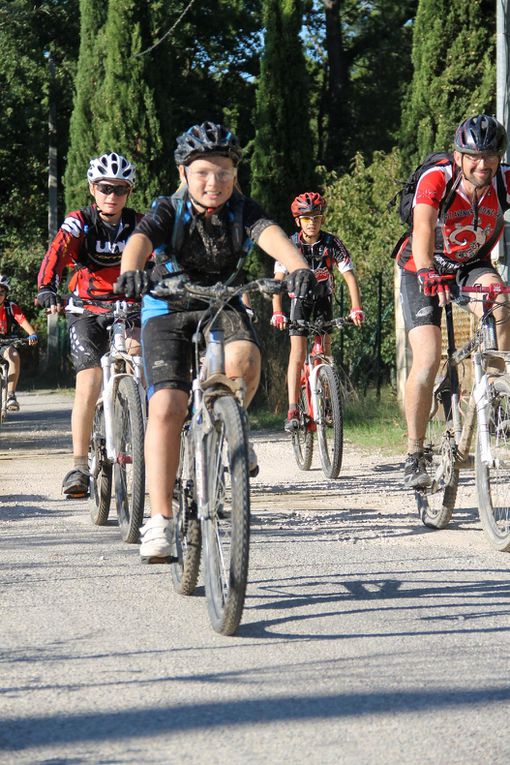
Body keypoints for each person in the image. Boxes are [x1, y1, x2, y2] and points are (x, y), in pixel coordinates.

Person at [115, 121, 316, 562]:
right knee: (166, 405)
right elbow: (141, 239)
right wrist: (131, 268)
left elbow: (270, 235)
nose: (214, 182)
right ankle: (161, 520)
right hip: (166, 306)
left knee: (245, 359)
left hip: (223, 300)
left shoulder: (242, 209)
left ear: (235, 175)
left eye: (223, 173)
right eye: (204, 172)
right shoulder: (169, 208)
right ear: (185, 173)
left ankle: (229, 422)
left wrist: (298, 266)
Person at [396, 114, 510, 488]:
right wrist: (428, 270)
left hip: (471, 266)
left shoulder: (504, 181)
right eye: (473, 157)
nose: (482, 165)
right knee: (428, 358)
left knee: (501, 304)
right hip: (422, 265)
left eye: (490, 157)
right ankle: (414, 453)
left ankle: (495, 395)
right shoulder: (438, 179)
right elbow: (423, 227)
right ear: (458, 156)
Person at [37, 152, 143, 498]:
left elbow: (162, 256)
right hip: (86, 309)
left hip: (129, 306)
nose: (112, 196)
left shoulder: (139, 224)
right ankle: (79, 465)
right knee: (88, 381)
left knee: (141, 363)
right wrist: (46, 287)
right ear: (92, 188)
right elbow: (56, 252)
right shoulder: (79, 221)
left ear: (129, 193)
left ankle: (146, 451)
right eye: (104, 188)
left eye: (120, 189)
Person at [270, 192, 364, 431]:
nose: (312, 222)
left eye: (317, 218)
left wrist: (356, 308)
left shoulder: (333, 244)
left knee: (324, 350)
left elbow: (349, 278)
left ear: (323, 220)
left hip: (323, 300)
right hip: (298, 302)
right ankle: (293, 408)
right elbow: (278, 280)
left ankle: (328, 402)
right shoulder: (290, 244)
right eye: (306, 218)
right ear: (298, 221)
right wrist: (277, 311)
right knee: (298, 353)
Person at [0, 275, 38, 410]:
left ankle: (11, 395)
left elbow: (22, 321)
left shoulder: (11, 307)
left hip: (4, 342)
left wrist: (32, 334)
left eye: (1, 292)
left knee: (14, 356)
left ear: (6, 294)